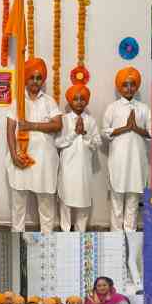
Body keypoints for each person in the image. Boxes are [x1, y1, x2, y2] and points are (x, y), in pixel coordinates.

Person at [5, 57, 63, 233]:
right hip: (21, 157)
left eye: (39, 78)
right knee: (18, 206)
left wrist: (31, 125)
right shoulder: (17, 101)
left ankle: (48, 240)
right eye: (32, 77)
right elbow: (9, 129)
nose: (35, 82)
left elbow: (57, 124)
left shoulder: (49, 101)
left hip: (44, 161)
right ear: (26, 78)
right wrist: (14, 155)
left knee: (46, 207)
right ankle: (17, 239)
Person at [102, 67, 151, 231]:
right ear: (119, 87)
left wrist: (136, 128)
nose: (129, 88)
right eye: (125, 85)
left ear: (137, 86)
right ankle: (116, 235)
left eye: (132, 84)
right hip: (118, 162)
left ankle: (130, 234)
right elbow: (105, 132)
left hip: (137, 163)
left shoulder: (143, 108)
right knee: (116, 202)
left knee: (132, 202)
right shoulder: (112, 108)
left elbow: (150, 133)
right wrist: (124, 128)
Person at [55, 84, 100, 232]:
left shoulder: (91, 121)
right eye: (75, 99)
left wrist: (85, 133)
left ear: (87, 101)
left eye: (82, 99)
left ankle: (81, 232)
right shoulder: (64, 119)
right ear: (70, 101)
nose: (79, 102)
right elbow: (58, 142)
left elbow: (97, 142)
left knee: (83, 202)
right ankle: (65, 231)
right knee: (66, 202)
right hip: (68, 168)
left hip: (84, 169)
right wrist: (74, 133)